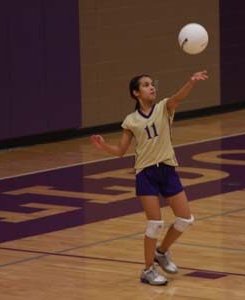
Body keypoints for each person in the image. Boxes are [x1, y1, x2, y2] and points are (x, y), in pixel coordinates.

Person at [90, 70, 209, 285]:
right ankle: (147, 270)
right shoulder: (131, 120)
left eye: (152, 84)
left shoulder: (164, 107)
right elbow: (120, 151)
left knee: (185, 220)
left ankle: (161, 252)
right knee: (155, 224)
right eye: (145, 85)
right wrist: (103, 146)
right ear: (136, 93)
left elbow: (177, 98)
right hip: (146, 173)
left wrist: (191, 81)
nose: (151, 87)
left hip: (167, 169)